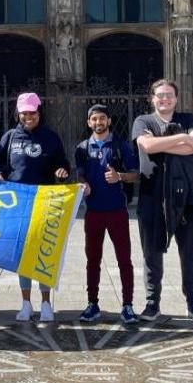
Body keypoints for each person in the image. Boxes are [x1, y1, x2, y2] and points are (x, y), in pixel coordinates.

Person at [131, 79, 193, 322]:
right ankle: (152, 303)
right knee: (151, 252)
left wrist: (162, 143)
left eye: (169, 95)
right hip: (153, 194)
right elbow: (147, 146)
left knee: (190, 252)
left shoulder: (189, 118)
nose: (164, 99)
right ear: (152, 98)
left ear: (176, 98)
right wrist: (181, 139)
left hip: (188, 195)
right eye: (159, 95)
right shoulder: (142, 121)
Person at [0, 92, 70, 322]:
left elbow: (62, 162)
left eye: (32, 113)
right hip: (17, 204)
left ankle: (46, 303)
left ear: (39, 113)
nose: (28, 117)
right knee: (23, 255)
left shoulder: (51, 137)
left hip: (44, 201)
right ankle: (26, 303)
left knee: (44, 252)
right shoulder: (9, 137)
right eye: (24, 113)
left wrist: (61, 172)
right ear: (18, 113)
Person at [75, 105, 139, 324]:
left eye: (102, 118)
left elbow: (135, 175)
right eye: (94, 119)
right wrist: (83, 185)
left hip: (117, 211)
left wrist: (119, 176)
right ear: (88, 122)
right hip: (93, 212)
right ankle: (92, 304)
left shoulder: (121, 146)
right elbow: (80, 176)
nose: (98, 122)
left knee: (124, 259)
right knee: (92, 260)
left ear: (109, 121)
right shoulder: (82, 148)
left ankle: (128, 305)